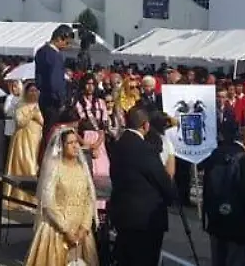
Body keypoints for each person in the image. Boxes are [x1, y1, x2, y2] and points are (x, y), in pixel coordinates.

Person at [108, 107, 174, 266]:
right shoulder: (144, 149)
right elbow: (161, 178)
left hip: (122, 213)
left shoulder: (119, 144)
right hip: (144, 219)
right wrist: (172, 195)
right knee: (145, 259)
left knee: (126, 259)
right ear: (145, 125)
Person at [24, 127, 98, 266]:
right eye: (70, 143)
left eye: (76, 142)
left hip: (81, 231)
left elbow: (88, 198)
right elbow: (48, 203)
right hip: (57, 229)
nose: (76, 146)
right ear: (61, 146)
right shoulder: (54, 168)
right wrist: (65, 230)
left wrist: (85, 226)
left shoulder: (82, 168)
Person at [200, 125, 245, 266]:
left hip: (216, 217)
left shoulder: (216, 152)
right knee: (239, 260)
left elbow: (206, 183)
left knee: (218, 260)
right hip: (238, 224)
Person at [0, 81, 43, 210]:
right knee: (25, 166)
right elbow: (20, 121)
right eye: (31, 91)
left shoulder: (40, 105)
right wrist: (31, 114)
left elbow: (42, 121)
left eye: (36, 91)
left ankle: (33, 198)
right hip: (22, 140)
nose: (33, 93)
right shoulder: (20, 104)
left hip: (36, 139)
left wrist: (37, 115)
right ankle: (20, 197)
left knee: (36, 165)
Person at [34, 25, 73, 136]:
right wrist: (61, 100)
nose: (67, 46)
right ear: (59, 38)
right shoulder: (55, 56)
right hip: (54, 102)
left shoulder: (40, 52)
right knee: (53, 135)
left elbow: (39, 79)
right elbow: (55, 82)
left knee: (46, 133)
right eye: (66, 42)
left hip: (43, 98)